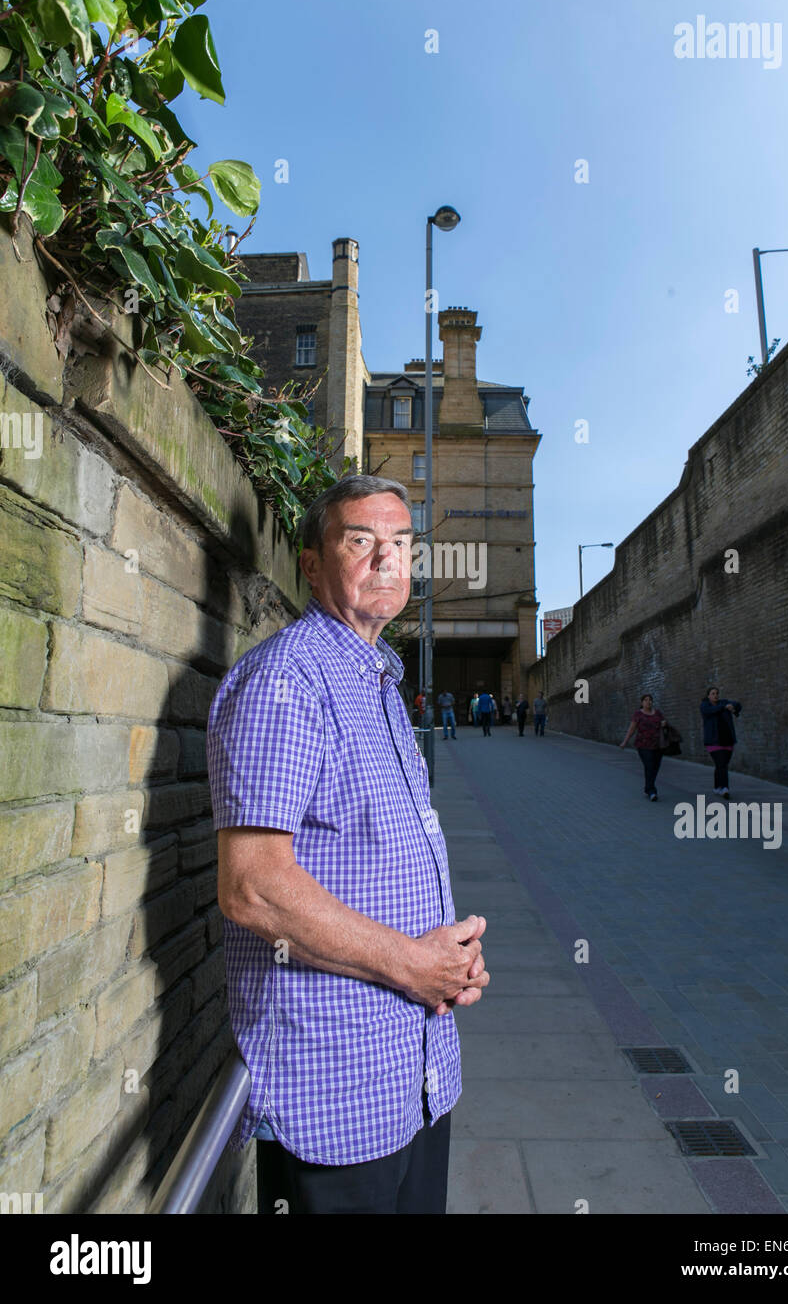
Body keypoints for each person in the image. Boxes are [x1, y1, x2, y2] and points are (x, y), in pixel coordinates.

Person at [207, 474, 490, 1215]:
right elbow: (253, 887)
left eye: (401, 541)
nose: (386, 557)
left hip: (416, 1074)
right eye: (360, 539)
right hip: (336, 1091)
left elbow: (372, 857)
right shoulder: (287, 680)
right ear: (311, 564)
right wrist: (413, 965)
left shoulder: (378, 682)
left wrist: (448, 963)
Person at [620, 693, 667, 800]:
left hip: (658, 745)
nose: (648, 702)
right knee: (649, 766)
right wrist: (625, 742)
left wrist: (664, 723)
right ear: (642, 702)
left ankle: (648, 787)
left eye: (650, 700)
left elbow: (663, 723)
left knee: (655, 767)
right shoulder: (638, 714)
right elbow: (632, 729)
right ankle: (651, 791)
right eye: (646, 700)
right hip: (643, 745)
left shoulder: (658, 713)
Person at [700, 686, 742, 798]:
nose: (715, 695)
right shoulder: (705, 705)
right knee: (721, 764)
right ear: (708, 696)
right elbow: (709, 711)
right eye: (713, 693)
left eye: (717, 693)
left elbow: (738, 704)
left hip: (727, 740)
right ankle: (725, 788)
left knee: (721, 765)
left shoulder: (724, 702)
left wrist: (733, 707)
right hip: (713, 741)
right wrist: (724, 707)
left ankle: (717, 787)